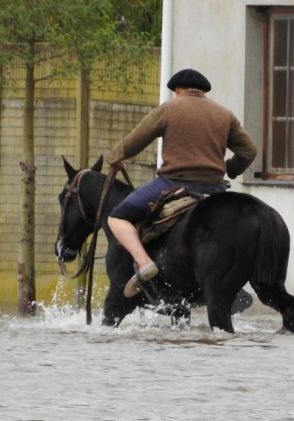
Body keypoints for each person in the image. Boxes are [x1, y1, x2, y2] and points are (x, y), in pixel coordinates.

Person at [106, 68, 257, 297]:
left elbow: (134, 142)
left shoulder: (169, 109)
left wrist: (115, 157)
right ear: (202, 91)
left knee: (117, 217)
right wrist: (230, 169)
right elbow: (249, 151)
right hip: (215, 190)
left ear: (177, 89)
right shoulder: (224, 114)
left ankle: (144, 263)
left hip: (172, 183)